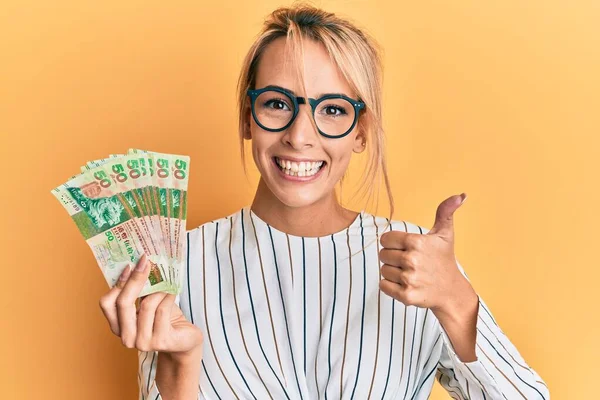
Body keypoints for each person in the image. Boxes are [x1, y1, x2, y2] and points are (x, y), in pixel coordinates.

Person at [99, 4, 550, 399]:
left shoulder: (417, 259)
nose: (299, 135)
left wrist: (456, 299)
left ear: (360, 132)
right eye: (277, 103)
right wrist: (180, 369)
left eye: (332, 109)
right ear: (246, 117)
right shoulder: (179, 265)